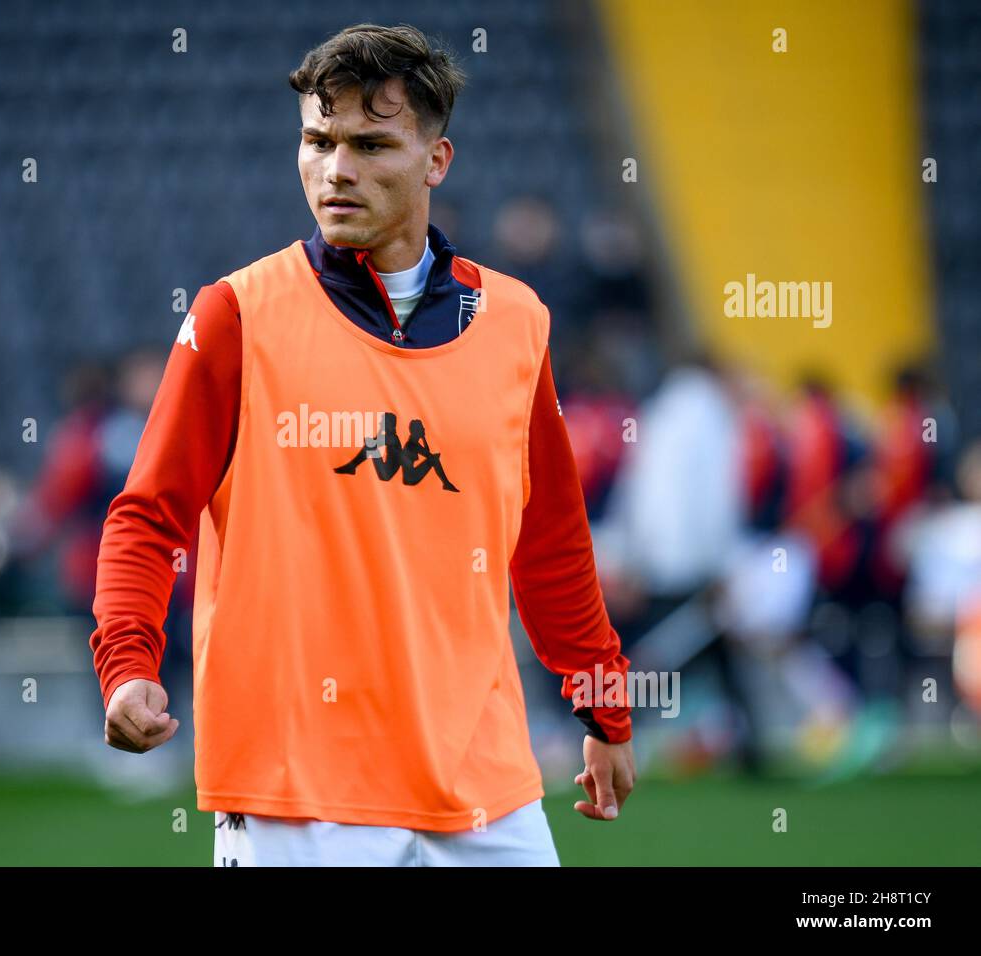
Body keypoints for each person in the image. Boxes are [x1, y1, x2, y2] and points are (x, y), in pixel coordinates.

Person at [90, 23, 634, 866]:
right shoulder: (236, 316)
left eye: (371, 144)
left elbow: (551, 539)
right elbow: (146, 516)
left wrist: (602, 705)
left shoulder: (518, 323)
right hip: (293, 795)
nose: (336, 169)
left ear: (436, 161)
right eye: (318, 140)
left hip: (483, 785)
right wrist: (128, 663)